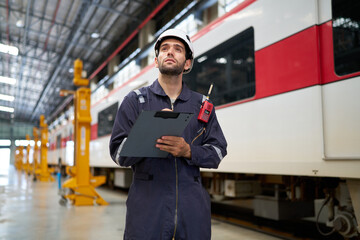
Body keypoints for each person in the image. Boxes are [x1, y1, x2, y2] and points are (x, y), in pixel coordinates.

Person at [109, 29, 227, 240]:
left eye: (178, 49)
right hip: (147, 208)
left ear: (187, 63)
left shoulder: (202, 105)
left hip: (192, 210)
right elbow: (119, 153)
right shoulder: (135, 101)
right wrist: (149, 132)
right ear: (156, 61)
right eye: (164, 49)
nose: (170, 52)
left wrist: (189, 151)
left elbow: (218, 151)